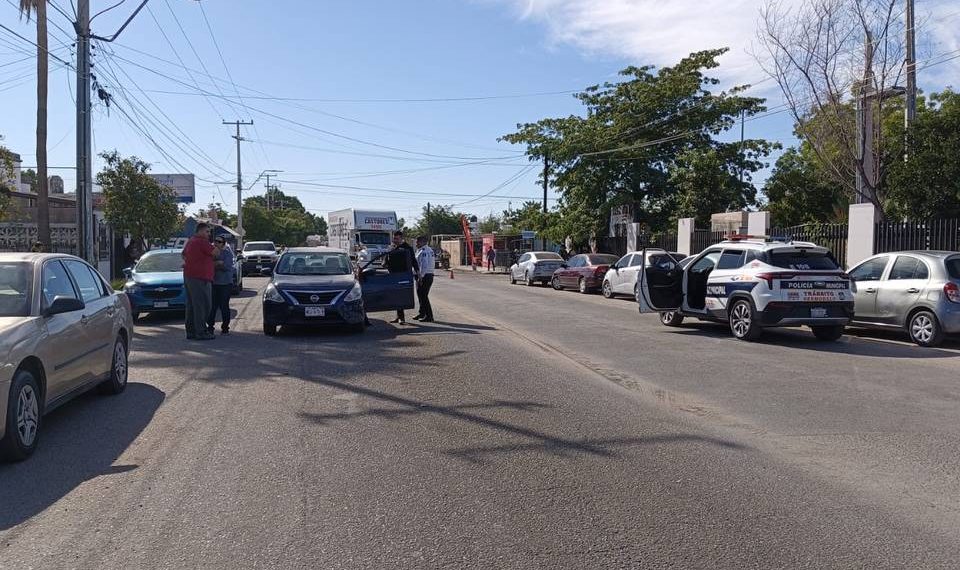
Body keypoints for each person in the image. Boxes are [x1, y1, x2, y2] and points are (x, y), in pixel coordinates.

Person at [181, 223, 222, 340]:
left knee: (191, 305)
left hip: (189, 275)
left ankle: (191, 331)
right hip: (200, 278)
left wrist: (194, 262)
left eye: (209, 232)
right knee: (203, 305)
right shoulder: (201, 241)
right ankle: (201, 332)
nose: (208, 234)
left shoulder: (191, 241)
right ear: (199, 231)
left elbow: (183, 255)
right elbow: (216, 253)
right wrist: (218, 246)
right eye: (206, 232)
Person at [384, 230, 418, 325]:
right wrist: (385, 263)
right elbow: (386, 258)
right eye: (394, 238)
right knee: (395, 296)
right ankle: (398, 316)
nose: (395, 240)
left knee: (400, 296)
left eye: (397, 238)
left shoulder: (407, 248)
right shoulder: (391, 247)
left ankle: (401, 318)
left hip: (402, 275)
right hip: (392, 274)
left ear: (401, 238)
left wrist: (418, 272)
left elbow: (413, 261)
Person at [207, 236, 236, 335]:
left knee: (224, 306)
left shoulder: (228, 253)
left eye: (219, 242)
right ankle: (210, 327)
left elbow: (226, 267)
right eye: (215, 241)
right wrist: (217, 263)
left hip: (225, 284)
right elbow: (208, 265)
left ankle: (225, 327)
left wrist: (217, 264)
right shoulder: (211, 253)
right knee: (212, 306)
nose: (216, 243)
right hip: (213, 283)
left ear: (223, 244)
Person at [414, 236, 435, 322]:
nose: (416, 244)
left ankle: (429, 316)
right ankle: (422, 313)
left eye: (417, 242)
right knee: (420, 296)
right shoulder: (424, 250)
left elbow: (424, 266)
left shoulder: (424, 251)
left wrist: (420, 277)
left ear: (423, 242)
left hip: (425, 276)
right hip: (425, 276)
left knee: (424, 296)